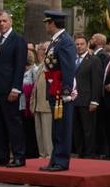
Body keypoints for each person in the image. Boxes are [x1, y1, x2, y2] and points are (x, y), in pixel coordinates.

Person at [0, 10, 28, 168]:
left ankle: (19, 156)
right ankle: (1, 156)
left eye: (4, 21)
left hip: (10, 88)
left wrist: (16, 88)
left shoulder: (18, 40)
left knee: (13, 123)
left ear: (10, 21)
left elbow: (19, 65)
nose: (1, 24)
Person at [40, 10, 79, 172]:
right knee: (56, 127)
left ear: (52, 23)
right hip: (54, 87)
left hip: (61, 89)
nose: (46, 26)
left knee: (62, 127)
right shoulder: (56, 41)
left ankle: (61, 161)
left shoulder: (65, 41)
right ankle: (55, 159)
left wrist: (66, 89)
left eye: (47, 23)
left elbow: (68, 67)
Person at [28, 47, 52, 160]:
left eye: (43, 49)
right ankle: (42, 154)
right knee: (39, 132)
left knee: (47, 133)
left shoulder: (51, 65)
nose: (40, 51)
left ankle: (49, 154)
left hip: (46, 103)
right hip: (38, 103)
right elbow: (35, 86)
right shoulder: (41, 65)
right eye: (39, 49)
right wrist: (32, 102)